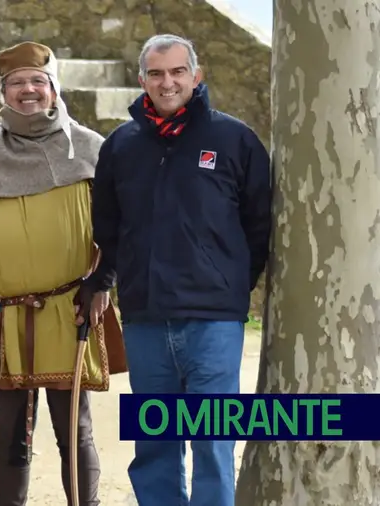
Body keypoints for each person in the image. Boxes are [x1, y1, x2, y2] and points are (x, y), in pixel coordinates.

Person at [89, 34, 272, 506]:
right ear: (141, 80)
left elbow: (259, 223)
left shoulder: (235, 139)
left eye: (177, 72)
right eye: (156, 73)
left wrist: (231, 285)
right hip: (146, 318)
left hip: (214, 319)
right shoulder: (120, 146)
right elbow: (107, 227)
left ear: (196, 74)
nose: (167, 82)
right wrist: (120, 279)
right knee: (155, 443)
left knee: (212, 441)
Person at [0, 41, 126, 506]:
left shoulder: (89, 148)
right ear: (3, 93)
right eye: (17, 83)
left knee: (74, 429)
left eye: (38, 82)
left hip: (70, 309)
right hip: (5, 315)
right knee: (13, 436)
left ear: (53, 89)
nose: (28, 91)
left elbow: (119, 219)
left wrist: (101, 278)